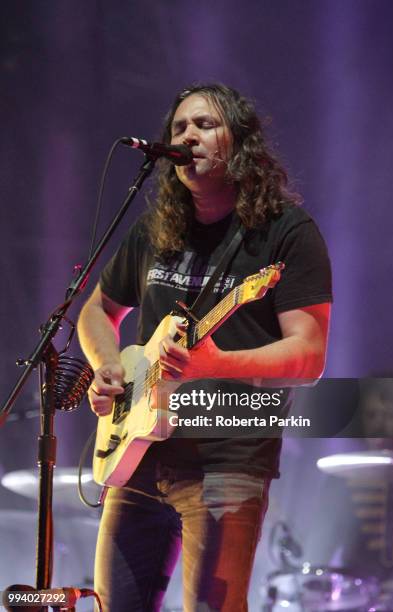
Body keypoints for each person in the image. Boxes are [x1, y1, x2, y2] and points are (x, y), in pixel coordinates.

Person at [78, 83, 332, 611]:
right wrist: (108, 368)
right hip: (138, 455)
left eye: (204, 125)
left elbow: (308, 355)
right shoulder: (154, 230)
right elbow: (97, 310)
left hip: (228, 461)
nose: (187, 135)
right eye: (178, 128)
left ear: (239, 143)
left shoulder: (286, 233)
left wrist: (216, 363)